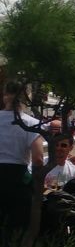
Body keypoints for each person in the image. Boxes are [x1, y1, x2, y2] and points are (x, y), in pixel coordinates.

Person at [0, 81, 42, 238]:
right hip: (18, 180)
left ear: (5, 96)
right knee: (16, 230)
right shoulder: (31, 123)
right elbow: (38, 159)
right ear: (26, 97)